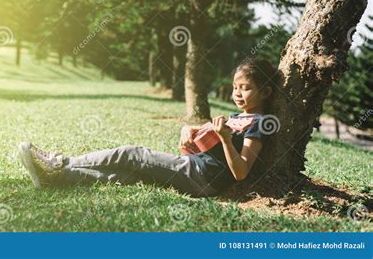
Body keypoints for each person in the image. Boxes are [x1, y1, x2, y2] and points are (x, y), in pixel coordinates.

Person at [17, 57, 279, 198]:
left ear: (265, 91)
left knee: (133, 154)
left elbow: (241, 171)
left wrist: (223, 138)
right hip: (194, 170)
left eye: (245, 88)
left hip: (202, 178)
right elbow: (194, 153)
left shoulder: (259, 125)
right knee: (125, 176)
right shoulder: (236, 116)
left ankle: (61, 162)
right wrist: (188, 137)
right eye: (235, 87)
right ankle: (57, 178)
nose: (237, 93)